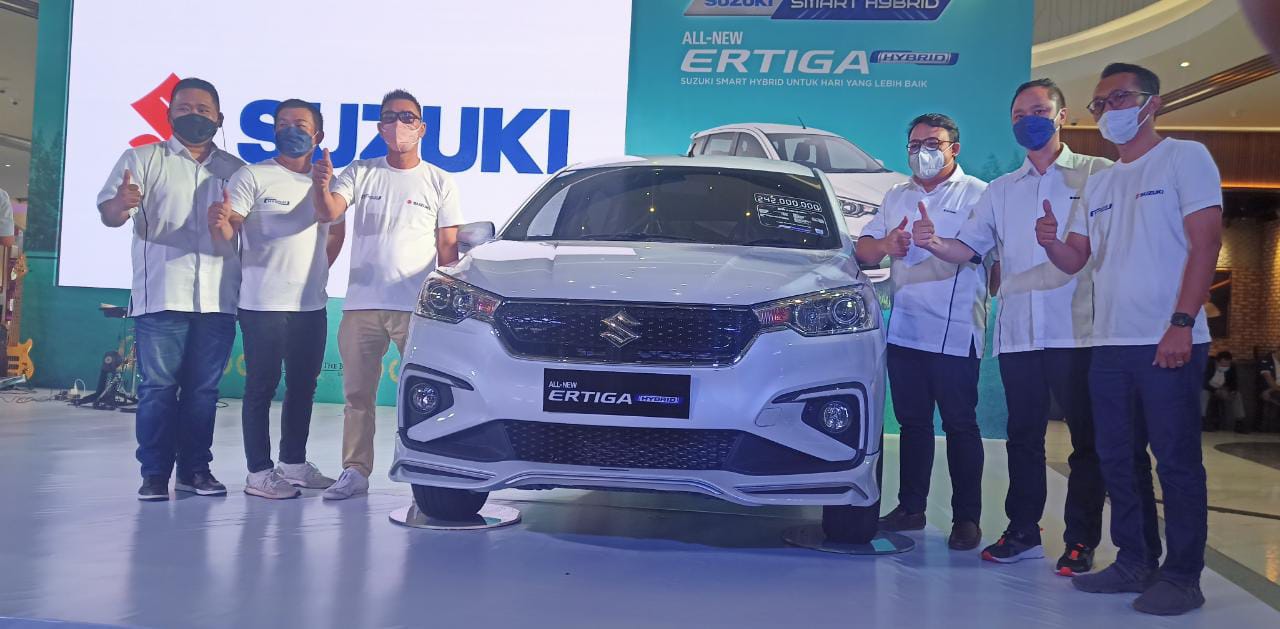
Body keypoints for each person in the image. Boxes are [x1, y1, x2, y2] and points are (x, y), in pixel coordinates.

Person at [1039, 62, 1222, 616]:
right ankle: (1135, 560)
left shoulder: (1186, 157)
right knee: (1118, 459)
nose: (1108, 111)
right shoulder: (1100, 181)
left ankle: (1183, 577)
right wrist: (1050, 242)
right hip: (1110, 342)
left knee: (1177, 462)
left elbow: (1206, 243)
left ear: (1152, 103)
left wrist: (1182, 323)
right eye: (1100, 104)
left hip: (1169, 336)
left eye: (1119, 98)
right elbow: (1076, 258)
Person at [911, 79, 1111, 574]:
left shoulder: (1097, 173)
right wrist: (934, 243)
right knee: (1023, 438)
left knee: (1087, 441)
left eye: (1038, 111)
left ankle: (1081, 540)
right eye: (1019, 115)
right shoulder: (1002, 190)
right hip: (1019, 332)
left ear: (1062, 115)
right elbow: (968, 248)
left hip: (1078, 330)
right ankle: (1022, 531)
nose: (1028, 121)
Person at [311, 89, 464, 500]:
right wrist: (322, 185)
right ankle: (355, 471)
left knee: (428, 393)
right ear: (380, 128)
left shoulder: (439, 181)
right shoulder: (361, 171)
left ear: (422, 127)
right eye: (390, 117)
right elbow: (329, 212)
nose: (398, 124)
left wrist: (445, 310)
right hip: (361, 305)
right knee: (357, 396)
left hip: (416, 309)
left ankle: (428, 467)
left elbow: (448, 250)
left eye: (407, 117)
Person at [96, 77, 245, 501]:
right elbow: (110, 214)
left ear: (219, 118)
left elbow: (249, 230)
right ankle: (154, 474)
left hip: (218, 297)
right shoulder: (142, 158)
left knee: (203, 392)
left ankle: (195, 471)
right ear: (169, 114)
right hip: (161, 294)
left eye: (203, 109)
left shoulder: (237, 170)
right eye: (184, 108)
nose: (194, 115)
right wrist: (121, 204)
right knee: (158, 389)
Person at [856, 113, 990, 551]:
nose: (922, 152)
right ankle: (911, 508)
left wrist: (933, 243)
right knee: (913, 424)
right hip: (906, 330)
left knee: (960, 426)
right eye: (914, 145)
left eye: (932, 143)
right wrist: (886, 246)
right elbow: (864, 249)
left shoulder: (979, 194)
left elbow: (973, 253)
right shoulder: (896, 195)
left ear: (954, 148)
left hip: (955, 332)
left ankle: (967, 518)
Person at [208, 99, 345, 499]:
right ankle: (259, 472)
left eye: (300, 124)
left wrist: (316, 270)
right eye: (282, 123)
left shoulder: (329, 182)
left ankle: (294, 464)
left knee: (303, 386)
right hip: (261, 304)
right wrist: (220, 226)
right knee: (261, 388)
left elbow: (336, 232)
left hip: (310, 305)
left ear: (317, 135)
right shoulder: (253, 175)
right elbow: (230, 229)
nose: (290, 130)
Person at [1200, 351, 1242, 432]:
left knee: (1237, 396)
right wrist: (1215, 390)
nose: (1225, 366)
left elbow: (1234, 382)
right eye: (1223, 364)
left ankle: (1239, 422)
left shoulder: (1232, 367)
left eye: (1227, 364)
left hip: (1223, 389)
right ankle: (1203, 420)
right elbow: (1203, 383)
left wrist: (1232, 391)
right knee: (1203, 394)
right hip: (1210, 389)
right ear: (1217, 362)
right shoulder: (1208, 366)